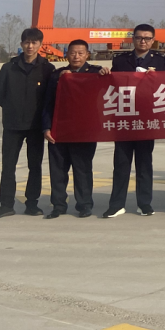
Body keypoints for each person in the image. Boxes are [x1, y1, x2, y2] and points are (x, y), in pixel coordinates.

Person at [0, 28, 56, 219]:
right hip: (13, 126)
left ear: (40, 45)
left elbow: (51, 97)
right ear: (21, 44)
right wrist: (13, 109)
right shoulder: (8, 68)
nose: (30, 46)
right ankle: (6, 205)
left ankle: (32, 203)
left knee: (35, 166)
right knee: (8, 166)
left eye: (34, 43)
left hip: (36, 126)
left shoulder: (47, 69)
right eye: (27, 42)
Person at [106, 23, 165, 218]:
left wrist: (155, 78)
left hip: (146, 120)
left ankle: (144, 203)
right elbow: (111, 85)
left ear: (153, 41)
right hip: (124, 118)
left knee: (144, 164)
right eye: (139, 38)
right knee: (121, 163)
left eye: (147, 38)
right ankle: (117, 204)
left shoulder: (161, 62)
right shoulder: (120, 61)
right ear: (133, 39)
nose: (143, 41)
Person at [42, 39, 108, 218]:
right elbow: (48, 103)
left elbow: (110, 91)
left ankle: (84, 205)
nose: (76, 56)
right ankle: (58, 205)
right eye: (72, 53)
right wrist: (46, 127)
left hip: (84, 130)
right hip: (60, 130)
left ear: (87, 55)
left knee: (82, 170)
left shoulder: (95, 73)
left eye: (80, 53)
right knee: (58, 171)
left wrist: (105, 74)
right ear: (67, 54)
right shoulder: (57, 75)